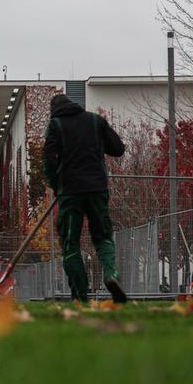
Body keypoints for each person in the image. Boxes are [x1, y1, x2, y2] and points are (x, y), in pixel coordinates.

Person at [44, 94, 127, 304]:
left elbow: (49, 160)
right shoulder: (95, 120)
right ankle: (110, 274)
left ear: (54, 110)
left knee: (70, 243)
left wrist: (56, 186)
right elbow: (118, 149)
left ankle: (80, 297)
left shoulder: (55, 125)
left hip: (70, 191)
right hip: (97, 189)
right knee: (102, 236)